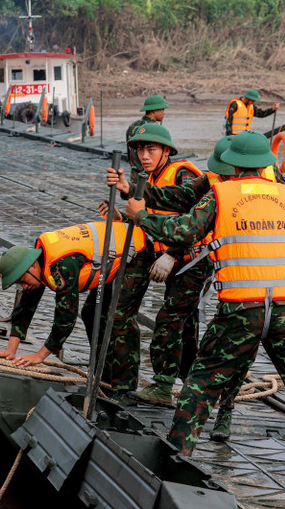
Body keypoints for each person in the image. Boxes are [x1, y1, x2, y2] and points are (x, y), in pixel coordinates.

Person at [125, 131, 285, 482]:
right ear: (266, 165)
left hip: (240, 309)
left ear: (232, 165)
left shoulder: (220, 195)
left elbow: (183, 231)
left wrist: (141, 216)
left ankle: (176, 454)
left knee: (202, 382)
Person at [0, 221, 151, 395]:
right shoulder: (39, 261)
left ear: (32, 266)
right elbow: (26, 306)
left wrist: (40, 356)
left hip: (135, 252)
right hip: (108, 257)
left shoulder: (62, 265)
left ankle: (125, 388)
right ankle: (105, 377)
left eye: (22, 280)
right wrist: (10, 350)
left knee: (119, 319)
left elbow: (66, 318)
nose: (23, 286)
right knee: (91, 313)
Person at [116, 124, 206, 406]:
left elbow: (198, 219)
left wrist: (173, 255)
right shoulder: (149, 175)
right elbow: (152, 212)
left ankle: (168, 386)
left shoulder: (183, 174)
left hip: (191, 258)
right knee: (182, 325)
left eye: (151, 149)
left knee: (171, 321)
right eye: (140, 150)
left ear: (166, 151)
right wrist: (123, 213)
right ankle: (189, 383)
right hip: (166, 255)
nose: (144, 155)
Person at [125, 95, 168, 175]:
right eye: (162, 109)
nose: (164, 113)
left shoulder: (132, 126)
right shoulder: (155, 129)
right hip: (150, 175)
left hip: (135, 174)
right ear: (154, 110)